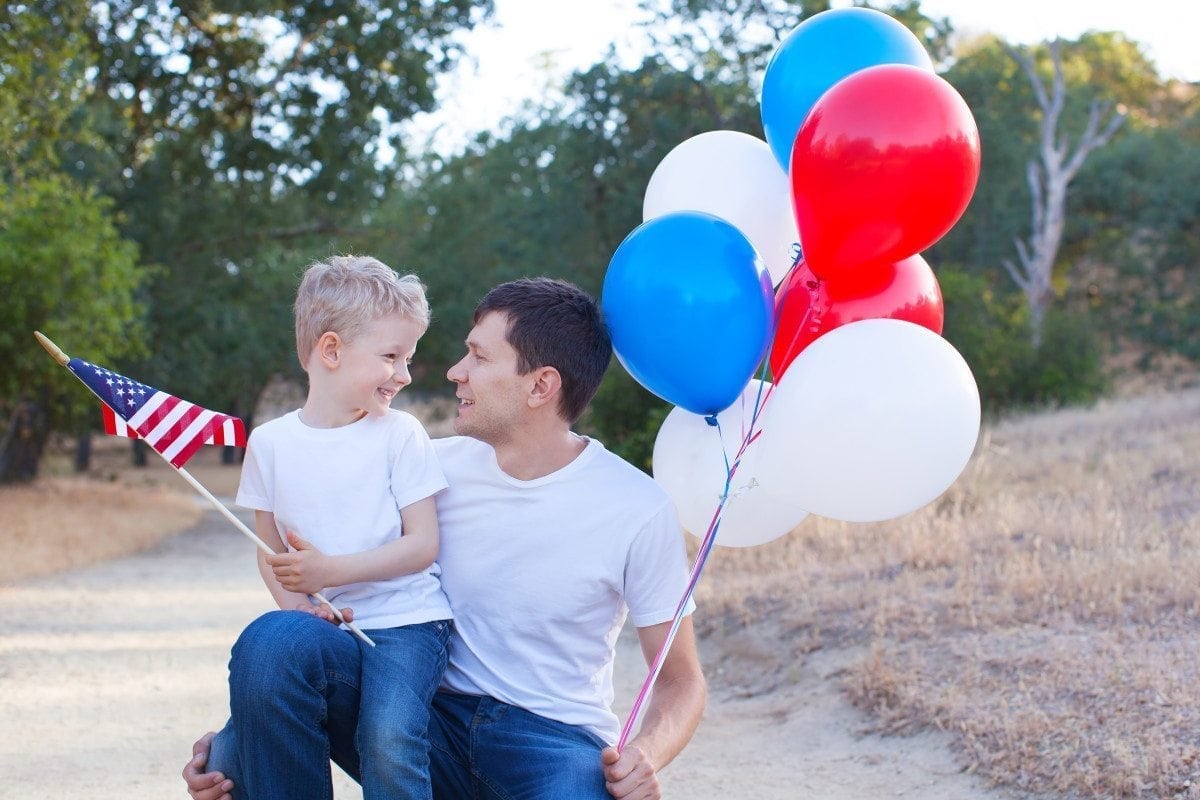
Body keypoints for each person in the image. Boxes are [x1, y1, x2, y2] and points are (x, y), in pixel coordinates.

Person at [184, 277, 707, 800]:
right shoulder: (422, 466)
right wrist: (241, 744)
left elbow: (681, 680)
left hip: (551, 745)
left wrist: (645, 755)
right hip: (420, 719)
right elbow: (292, 564)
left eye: (478, 357)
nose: (456, 372)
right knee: (274, 640)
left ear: (540, 386)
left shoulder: (637, 508)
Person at [229, 255, 453, 800]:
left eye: (408, 358)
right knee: (242, 739)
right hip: (328, 630)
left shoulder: (400, 434)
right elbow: (270, 549)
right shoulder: (270, 444)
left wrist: (331, 571)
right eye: (391, 357)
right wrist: (302, 610)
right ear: (331, 350)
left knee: (388, 736)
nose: (403, 375)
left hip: (407, 624)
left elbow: (423, 545)